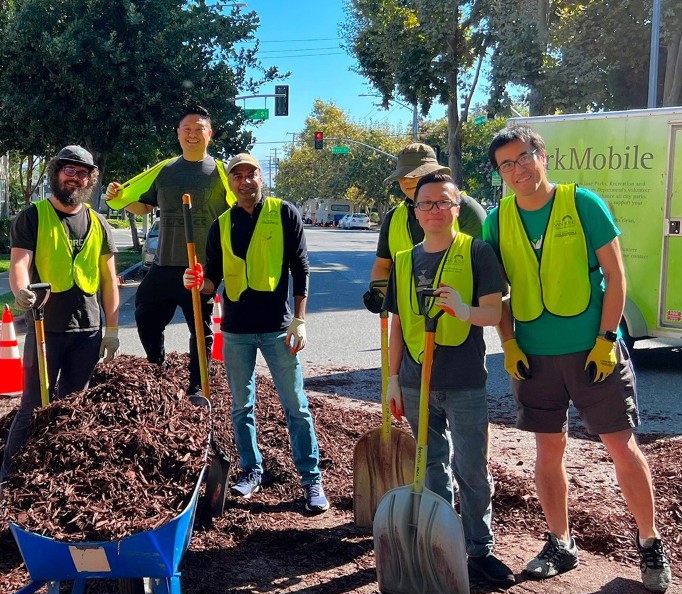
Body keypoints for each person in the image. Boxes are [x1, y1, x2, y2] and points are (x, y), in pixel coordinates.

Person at [484, 125, 672, 594]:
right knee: (547, 451)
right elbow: (498, 293)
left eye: (523, 157)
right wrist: (508, 343)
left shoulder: (582, 203)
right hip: (535, 357)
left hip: (593, 353)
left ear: (541, 155)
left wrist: (607, 339)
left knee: (620, 446)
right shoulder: (496, 219)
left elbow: (616, 274)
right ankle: (560, 542)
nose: (517, 169)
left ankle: (650, 543)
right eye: (506, 164)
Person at [384, 173, 514, 587]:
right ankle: (440, 544)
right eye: (427, 204)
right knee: (430, 465)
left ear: (457, 209)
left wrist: (462, 309)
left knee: (472, 468)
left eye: (444, 202)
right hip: (413, 381)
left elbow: (494, 314)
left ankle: (479, 549)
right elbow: (400, 324)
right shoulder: (404, 261)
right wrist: (390, 378)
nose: (435, 210)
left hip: (465, 382)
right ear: (416, 212)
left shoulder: (478, 253)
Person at [183, 153, 329, 514]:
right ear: (230, 183)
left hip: (279, 328)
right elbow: (212, 280)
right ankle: (251, 470)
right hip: (236, 331)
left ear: (261, 178)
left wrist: (300, 319)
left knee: (296, 406)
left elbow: (302, 268)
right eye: (238, 176)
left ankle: (311, 479)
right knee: (241, 407)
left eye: (252, 174)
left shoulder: (284, 213)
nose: (245, 181)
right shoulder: (221, 225)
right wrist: (196, 283)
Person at [1, 146, 120, 481]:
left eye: (83, 172)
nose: (76, 177)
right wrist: (21, 290)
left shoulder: (99, 223)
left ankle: (58, 478)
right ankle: (8, 483)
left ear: (90, 179)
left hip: (87, 331)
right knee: (32, 407)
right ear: (56, 173)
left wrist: (111, 329)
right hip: (45, 328)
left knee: (72, 408)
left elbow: (110, 281)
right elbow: (20, 263)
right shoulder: (33, 216)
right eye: (69, 170)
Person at [105, 105, 235, 395]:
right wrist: (121, 199)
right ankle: (157, 367)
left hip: (200, 267)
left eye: (198, 129)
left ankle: (197, 387)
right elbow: (144, 206)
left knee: (199, 332)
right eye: (186, 129)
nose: (192, 134)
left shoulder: (222, 174)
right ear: (178, 134)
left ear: (209, 134)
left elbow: (237, 213)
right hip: (163, 264)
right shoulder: (164, 170)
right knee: (145, 313)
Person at [364, 143, 486, 314]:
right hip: (409, 323)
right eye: (402, 176)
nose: (406, 180)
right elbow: (382, 266)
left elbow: (487, 272)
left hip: (460, 325)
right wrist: (382, 295)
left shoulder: (467, 210)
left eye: (414, 173)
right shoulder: (394, 218)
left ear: (434, 173)